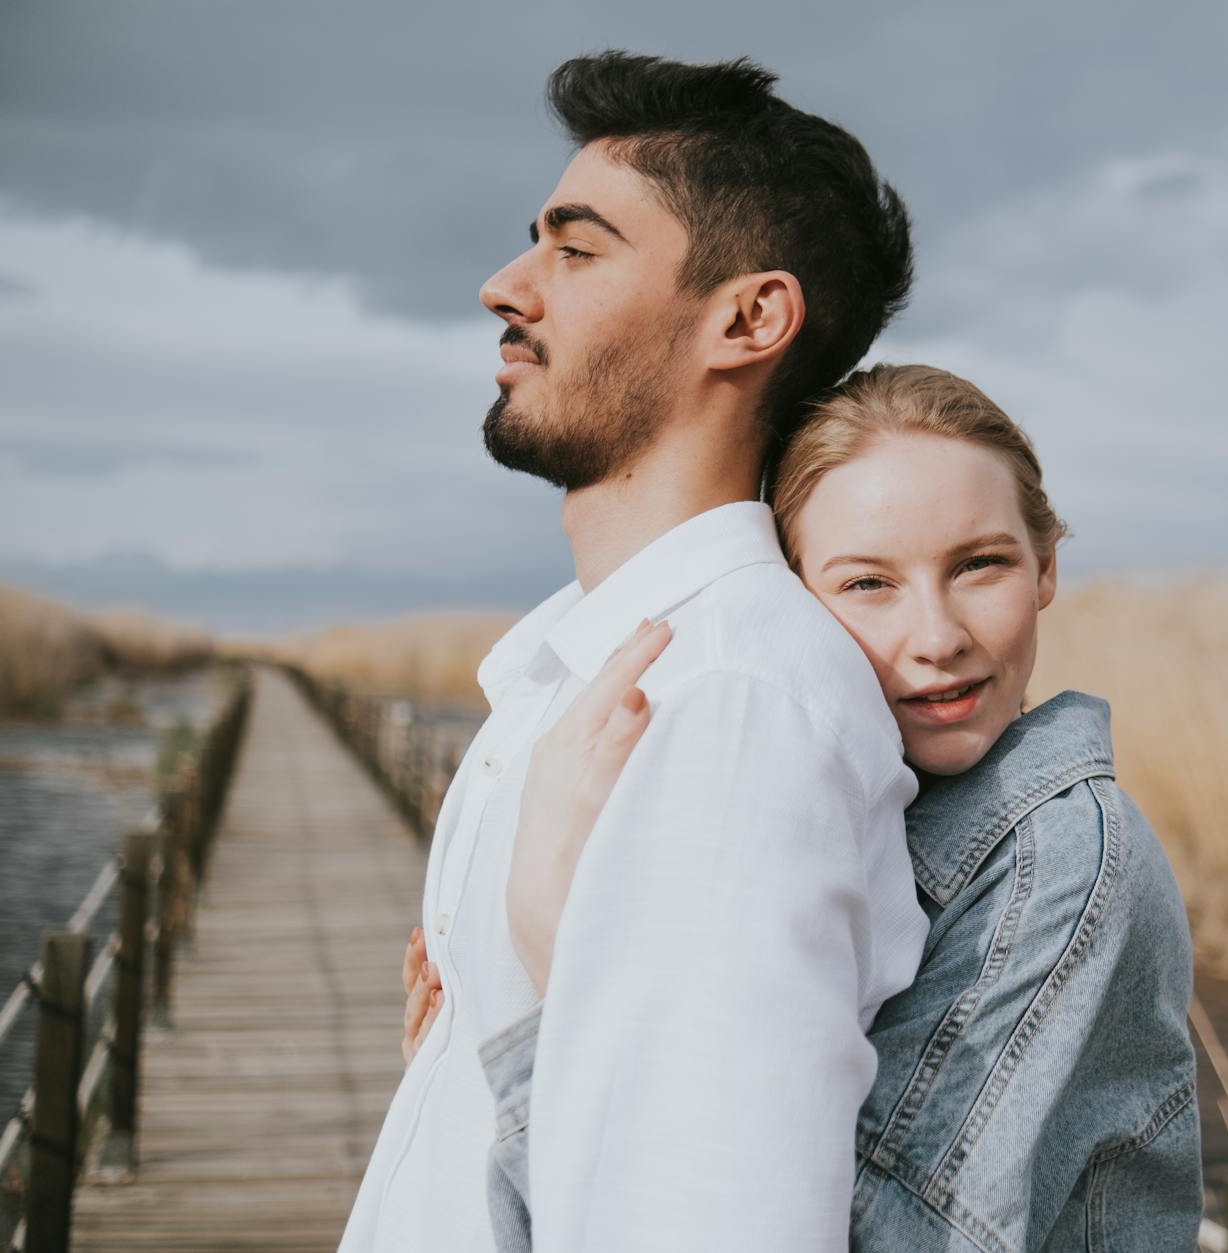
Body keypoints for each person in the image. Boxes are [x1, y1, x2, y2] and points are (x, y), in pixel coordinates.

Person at [340, 51, 929, 1253]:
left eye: (575, 246)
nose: (506, 285)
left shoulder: (731, 700)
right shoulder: (591, 666)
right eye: (533, 240)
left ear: (748, 317)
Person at [408, 363, 1205, 1250]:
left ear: (1046, 565)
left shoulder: (1058, 862)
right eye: (869, 584)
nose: (937, 637)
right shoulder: (823, 809)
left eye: (980, 565)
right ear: (794, 596)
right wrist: (460, 1083)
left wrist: (558, 983)